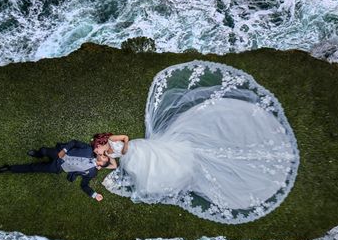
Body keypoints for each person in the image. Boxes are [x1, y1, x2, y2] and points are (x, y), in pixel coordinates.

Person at [101, 60, 300, 224]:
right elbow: (112, 163)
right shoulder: (109, 156)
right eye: (99, 152)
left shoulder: (112, 141)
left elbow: (125, 140)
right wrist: (107, 164)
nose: (101, 152)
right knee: (158, 167)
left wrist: (124, 149)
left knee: (163, 155)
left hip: (138, 148)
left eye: (99, 149)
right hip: (134, 156)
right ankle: (181, 166)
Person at [0, 139, 109, 201]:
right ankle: (38, 154)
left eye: (103, 157)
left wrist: (94, 195)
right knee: (44, 150)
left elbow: (84, 185)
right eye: (104, 154)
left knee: (35, 168)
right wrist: (64, 150)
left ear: (101, 164)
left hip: (59, 167)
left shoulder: (92, 173)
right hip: (60, 154)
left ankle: (10, 168)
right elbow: (74, 142)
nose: (102, 154)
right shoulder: (88, 149)